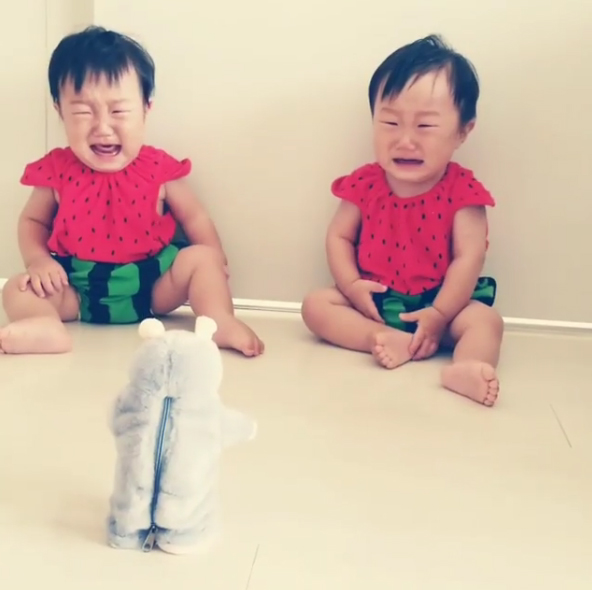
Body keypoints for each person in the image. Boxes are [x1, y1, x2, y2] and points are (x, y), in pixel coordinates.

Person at [0, 26, 264, 357]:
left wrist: (215, 260)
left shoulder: (159, 168)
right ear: (59, 110)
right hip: (77, 289)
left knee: (203, 259)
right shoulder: (56, 170)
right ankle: (44, 325)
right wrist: (38, 260)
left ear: (146, 107)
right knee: (16, 287)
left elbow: (195, 217)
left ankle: (218, 321)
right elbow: (32, 222)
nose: (103, 127)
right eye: (83, 112)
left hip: (153, 286)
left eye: (119, 111)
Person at [301, 35, 503, 407]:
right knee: (316, 305)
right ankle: (378, 338)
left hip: (443, 305)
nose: (405, 140)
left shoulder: (463, 193)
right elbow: (339, 237)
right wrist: (351, 286)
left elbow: (469, 258)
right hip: (376, 303)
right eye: (390, 122)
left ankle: (466, 367)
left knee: (485, 322)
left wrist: (440, 314)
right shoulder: (365, 183)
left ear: (463, 131)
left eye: (425, 126)